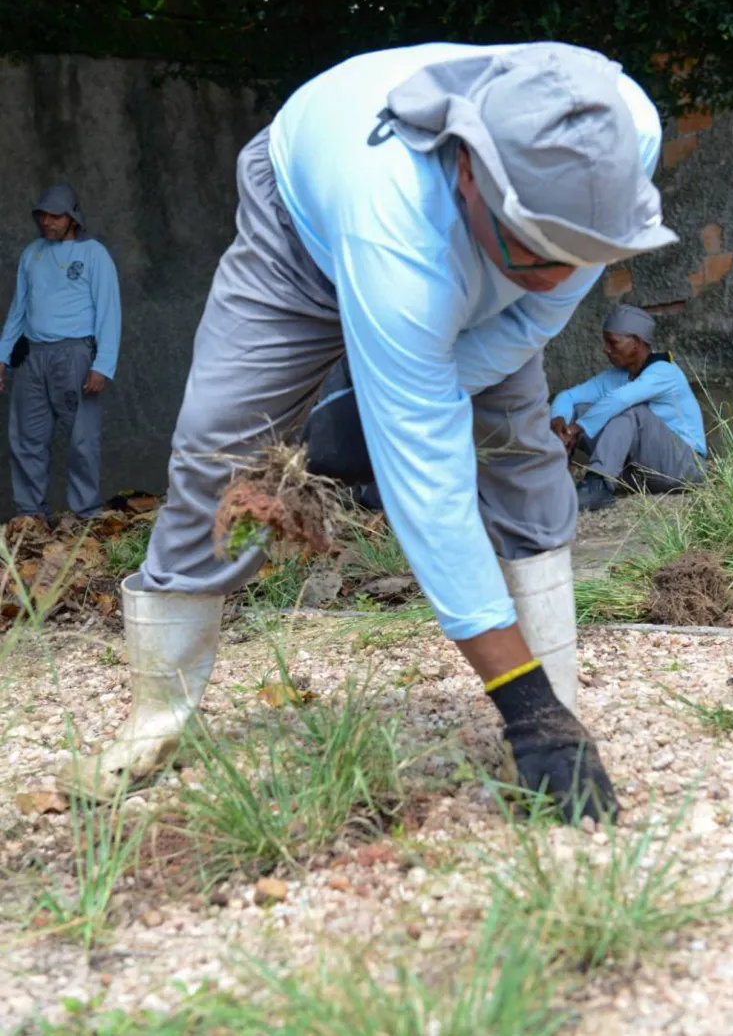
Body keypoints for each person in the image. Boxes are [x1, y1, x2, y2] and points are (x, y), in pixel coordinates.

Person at [58, 42, 678, 821]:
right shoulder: (398, 226)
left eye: (581, 252)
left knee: (519, 448)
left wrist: (403, 393)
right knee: (221, 450)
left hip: (452, 255)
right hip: (304, 231)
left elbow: (543, 305)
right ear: (466, 172)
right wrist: (521, 708)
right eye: (538, 250)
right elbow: (431, 493)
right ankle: (157, 720)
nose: (559, 274)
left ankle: (562, 690)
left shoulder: (621, 140)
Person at [0, 185, 121, 522]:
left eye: (55, 216)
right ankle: (30, 514)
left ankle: (85, 513)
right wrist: (2, 355)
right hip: (32, 356)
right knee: (26, 437)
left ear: (72, 218)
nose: (47, 222)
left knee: (82, 438)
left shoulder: (94, 254)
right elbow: (18, 310)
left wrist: (103, 365)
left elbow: (109, 311)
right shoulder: (32, 254)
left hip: (76, 356)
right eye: (43, 215)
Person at [551, 304, 706, 512]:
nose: (605, 349)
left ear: (637, 343)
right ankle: (555, 476)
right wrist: (560, 423)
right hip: (637, 474)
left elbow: (620, 400)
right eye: (605, 342)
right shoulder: (616, 376)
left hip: (683, 468)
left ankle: (598, 485)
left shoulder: (664, 372)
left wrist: (575, 429)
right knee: (579, 409)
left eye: (613, 343)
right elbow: (568, 397)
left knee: (630, 411)